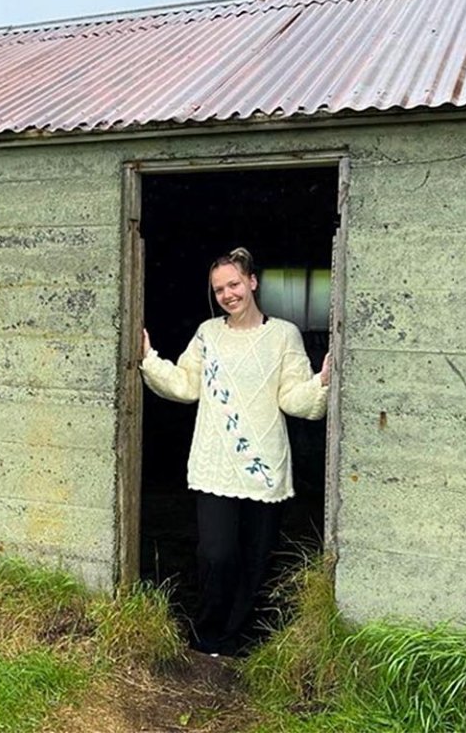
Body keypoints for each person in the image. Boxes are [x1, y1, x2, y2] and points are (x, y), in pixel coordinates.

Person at [140, 246, 330, 657]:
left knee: (255, 559)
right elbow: (186, 386)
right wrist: (148, 359)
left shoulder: (283, 335)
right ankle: (207, 636)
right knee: (216, 553)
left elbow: (293, 397)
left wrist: (321, 383)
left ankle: (236, 640)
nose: (228, 294)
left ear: (252, 282)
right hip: (215, 463)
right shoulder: (208, 334)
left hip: (264, 468)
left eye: (234, 284)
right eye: (219, 289)